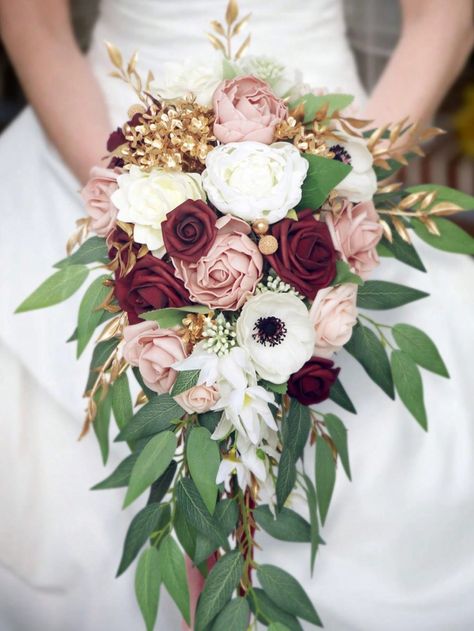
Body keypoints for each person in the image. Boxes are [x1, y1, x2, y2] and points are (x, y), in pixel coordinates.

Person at [0, 1, 472, 629]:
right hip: (98, 142)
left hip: (331, 149)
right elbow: (32, 21)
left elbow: (445, 17)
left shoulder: (332, 189)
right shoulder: (124, 196)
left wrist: (337, 194)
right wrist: (140, 220)